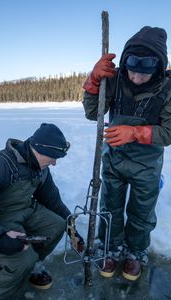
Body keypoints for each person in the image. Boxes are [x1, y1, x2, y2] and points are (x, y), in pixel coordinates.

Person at [82, 26, 171, 281]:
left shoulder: (168, 89)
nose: (136, 78)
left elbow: (168, 132)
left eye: (143, 74)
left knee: (142, 211)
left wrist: (135, 133)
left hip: (147, 165)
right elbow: (92, 113)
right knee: (110, 205)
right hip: (114, 161)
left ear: (158, 67)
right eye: (131, 71)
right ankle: (109, 247)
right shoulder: (115, 78)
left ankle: (135, 252)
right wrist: (93, 82)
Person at [0, 123, 84, 299]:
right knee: (20, 257)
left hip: (24, 209)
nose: (54, 163)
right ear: (37, 149)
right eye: (53, 157)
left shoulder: (41, 169)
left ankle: (31, 267)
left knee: (56, 225)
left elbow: (53, 201)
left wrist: (71, 227)